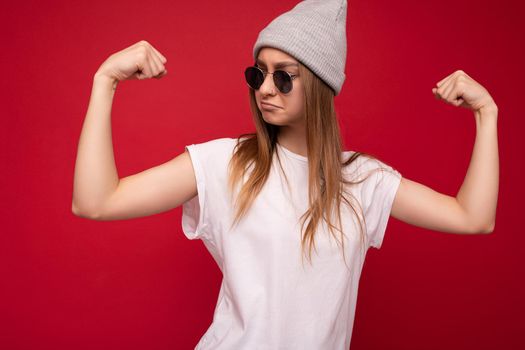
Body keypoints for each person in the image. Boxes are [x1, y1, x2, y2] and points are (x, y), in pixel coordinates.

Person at [72, 0, 499, 348]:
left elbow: (472, 217)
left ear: (320, 84)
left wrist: (486, 113)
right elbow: (96, 202)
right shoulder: (225, 163)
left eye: (284, 76)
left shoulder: (363, 181)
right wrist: (104, 80)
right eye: (258, 73)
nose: (265, 88)